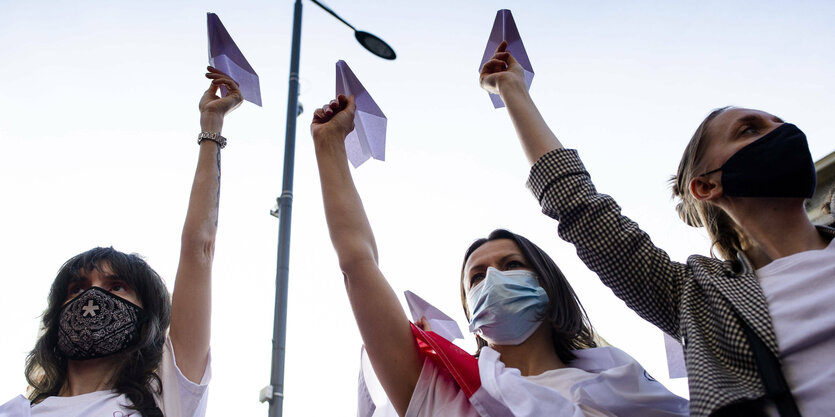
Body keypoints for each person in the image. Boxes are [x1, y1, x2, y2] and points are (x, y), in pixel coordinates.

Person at [479, 40, 835, 417]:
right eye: (750, 130)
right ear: (707, 186)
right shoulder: (696, 297)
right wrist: (512, 89)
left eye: (778, 123)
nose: (782, 132)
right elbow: (579, 208)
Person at [310, 95, 688, 416]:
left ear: (547, 284)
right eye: (476, 277)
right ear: (469, 307)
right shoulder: (445, 390)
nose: (493, 279)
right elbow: (358, 264)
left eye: (512, 266)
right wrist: (329, 145)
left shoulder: (625, 388)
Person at [0, 66, 242, 417]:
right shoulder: (16, 411)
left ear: (147, 318)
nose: (92, 298)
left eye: (116, 287)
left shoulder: (167, 398)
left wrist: (211, 129)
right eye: (77, 288)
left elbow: (198, 249)